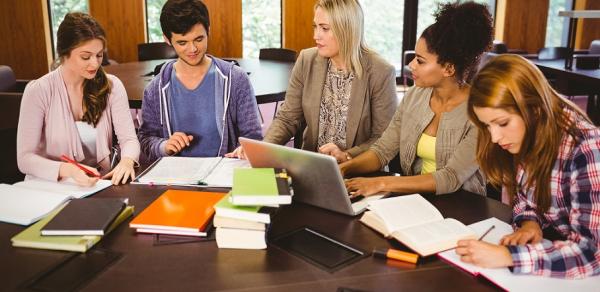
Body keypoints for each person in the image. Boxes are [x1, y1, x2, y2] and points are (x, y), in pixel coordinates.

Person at [456, 54, 600, 279]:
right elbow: (526, 199)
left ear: (534, 108)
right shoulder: (528, 134)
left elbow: (592, 253)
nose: (494, 137)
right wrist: (530, 222)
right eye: (487, 126)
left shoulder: (587, 147)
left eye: (502, 123)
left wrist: (508, 256)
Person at [341, 1, 492, 196]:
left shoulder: (479, 112)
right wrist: (344, 168)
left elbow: (450, 178)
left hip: (462, 207)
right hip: (414, 201)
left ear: (449, 68)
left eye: (420, 61)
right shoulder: (414, 96)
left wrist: (381, 183)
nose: (411, 65)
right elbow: (383, 150)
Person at [227, 0, 397, 162]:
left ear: (347, 30)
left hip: (358, 171)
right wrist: (261, 149)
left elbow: (383, 138)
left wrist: (347, 155)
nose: (316, 35)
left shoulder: (381, 71)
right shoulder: (306, 59)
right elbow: (288, 118)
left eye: (325, 28)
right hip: (311, 166)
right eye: (315, 27)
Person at [17, 12, 140, 187]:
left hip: (97, 186)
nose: (95, 64)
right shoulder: (39, 91)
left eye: (99, 55)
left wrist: (127, 161)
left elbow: (129, 139)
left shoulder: (112, 86)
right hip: (48, 188)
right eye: (85, 56)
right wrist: (69, 170)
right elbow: (24, 159)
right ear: (64, 54)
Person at [138, 0, 262, 163]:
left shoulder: (236, 79)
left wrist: (245, 149)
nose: (192, 49)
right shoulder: (155, 88)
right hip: (176, 177)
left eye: (198, 39)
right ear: (167, 40)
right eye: (182, 42)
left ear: (208, 31)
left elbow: (253, 138)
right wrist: (164, 146)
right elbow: (147, 139)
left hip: (224, 174)